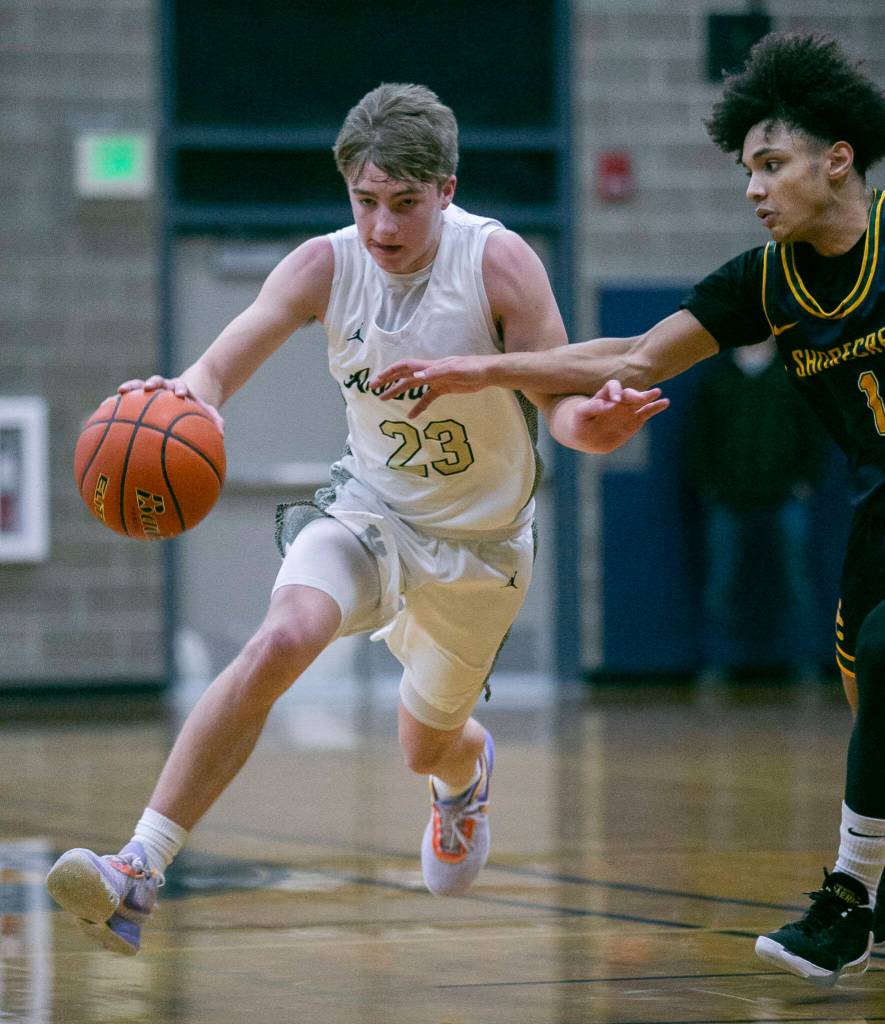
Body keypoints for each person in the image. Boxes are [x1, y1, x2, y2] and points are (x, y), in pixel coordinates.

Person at [44, 83, 666, 956]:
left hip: (480, 548)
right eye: (365, 201)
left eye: (404, 203)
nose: (382, 226)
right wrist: (180, 397)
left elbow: (560, 403)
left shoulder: (499, 264)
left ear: (445, 190)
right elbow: (216, 371)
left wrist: (590, 429)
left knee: (426, 744)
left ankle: (464, 777)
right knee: (281, 638)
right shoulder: (322, 266)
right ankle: (138, 868)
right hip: (368, 512)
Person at [371, 33, 885, 986]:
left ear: (837, 158)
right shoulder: (767, 284)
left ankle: (852, 899)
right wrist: (477, 367)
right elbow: (629, 359)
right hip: (876, 521)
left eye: (771, 164)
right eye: (747, 170)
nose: (752, 188)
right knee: (878, 704)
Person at [684, 337, 825, 679]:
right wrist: (708, 483)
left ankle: (806, 663)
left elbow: (815, 430)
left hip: (785, 499)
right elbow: (699, 435)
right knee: (721, 586)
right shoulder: (718, 376)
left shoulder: (792, 374)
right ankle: (717, 664)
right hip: (728, 501)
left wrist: (807, 479)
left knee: (796, 585)